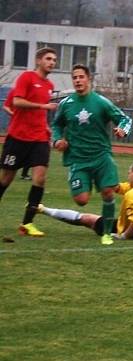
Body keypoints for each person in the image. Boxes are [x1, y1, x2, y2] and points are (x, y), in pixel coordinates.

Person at [51, 64, 132, 245]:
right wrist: (57, 140)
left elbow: (125, 119)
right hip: (78, 159)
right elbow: (56, 125)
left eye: (81, 77)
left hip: (101, 156)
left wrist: (123, 130)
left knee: (108, 193)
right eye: (75, 78)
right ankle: (86, 194)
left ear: (89, 79)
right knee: (81, 200)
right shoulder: (66, 104)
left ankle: (106, 234)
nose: (78, 80)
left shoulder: (101, 102)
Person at [38, 161, 133, 240]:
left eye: (129, 172)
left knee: (86, 219)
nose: (128, 175)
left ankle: (43, 209)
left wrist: (123, 236)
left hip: (130, 230)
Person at [0, 47, 59, 237]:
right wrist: (43, 106)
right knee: (6, 179)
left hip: (39, 138)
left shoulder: (50, 84)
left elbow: (40, 112)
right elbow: (16, 102)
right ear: (38, 61)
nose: (52, 62)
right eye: (48, 59)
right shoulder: (26, 77)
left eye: (54, 60)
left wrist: (46, 126)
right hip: (18, 138)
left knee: (40, 178)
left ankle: (27, 223)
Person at [3, 89, 32, 181]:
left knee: (30, 153)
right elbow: (5, 106)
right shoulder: (15, 91)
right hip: (15, 130)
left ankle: (24, 174)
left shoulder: (34, 91)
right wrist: (13, 113)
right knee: (11, 156)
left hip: (30, 129)